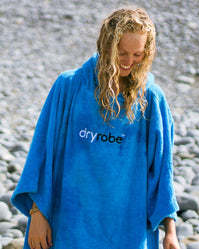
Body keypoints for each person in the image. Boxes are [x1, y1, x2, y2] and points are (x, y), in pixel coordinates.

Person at [11, 7, 180, 249]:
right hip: (68, 225)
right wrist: (37, 214)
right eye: (121, 52)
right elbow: (43, 152)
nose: (128, 62)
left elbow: (162, 169)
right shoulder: (69, 87)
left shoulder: (152, 99)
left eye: (137, 54)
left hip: (128, 230)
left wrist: (170, 232)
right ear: (106, 44)